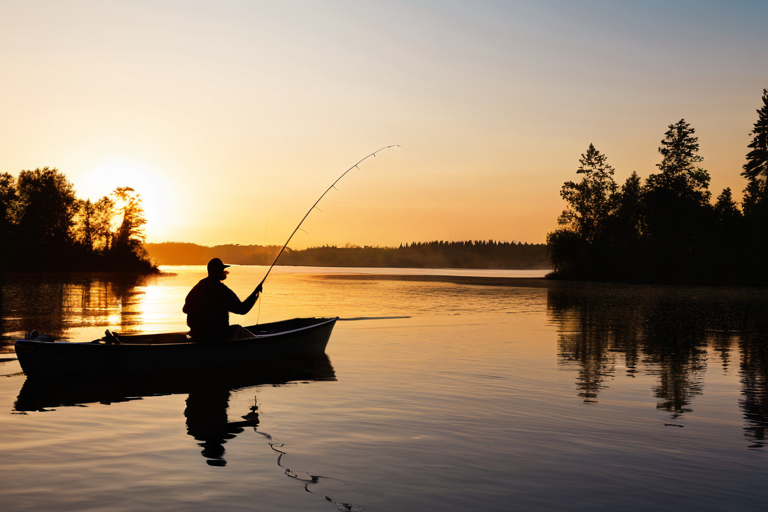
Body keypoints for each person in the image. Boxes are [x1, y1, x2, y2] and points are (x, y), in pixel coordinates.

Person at [183, 258, 262, 342]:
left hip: (197, 334)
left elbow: (185, 309)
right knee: (238, 330)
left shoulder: (198, 286)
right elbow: (242, 309)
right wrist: (255, 294)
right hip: (217, 336)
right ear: (217, 272)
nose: (224, 272)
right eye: (222, 269)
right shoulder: (221, 290)